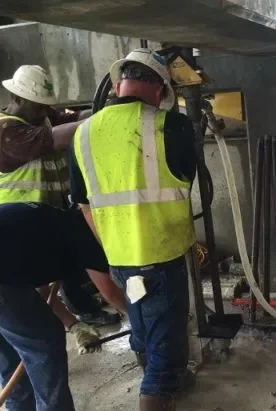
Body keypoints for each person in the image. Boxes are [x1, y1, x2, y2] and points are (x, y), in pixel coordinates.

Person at [70, 48, 197, 411]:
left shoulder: (83, 133)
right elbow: (186, 178)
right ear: (159, 88)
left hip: (119, 259)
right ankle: (159, 387)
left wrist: (111, 251)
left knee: (143, 332)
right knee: (165, 349)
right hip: (162, 256)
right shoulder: (172, 125)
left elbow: (83, 204)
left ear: (117, 84)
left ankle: (162, 383)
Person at [0, 65, 121, 326]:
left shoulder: (39, 115)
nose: (45, 111)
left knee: (70, 266)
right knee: (36, 282)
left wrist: (112, 107)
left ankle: (79, 314)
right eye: (39, 106)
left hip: (48, 215)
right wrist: (108, 120)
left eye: (46, 106)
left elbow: (76, 116)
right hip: (17, 223)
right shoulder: (6, 132)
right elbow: (57, 138)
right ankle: (65, 324)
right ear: (17, 99)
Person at [0, 202, 128, 411]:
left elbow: (39, 294)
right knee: (43, 344)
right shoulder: (83, 233)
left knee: (13, 350)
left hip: (8, 278)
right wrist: (142, 321)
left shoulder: (54, 221)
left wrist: (73, 324)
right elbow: (111, 293)